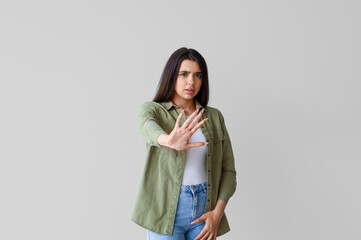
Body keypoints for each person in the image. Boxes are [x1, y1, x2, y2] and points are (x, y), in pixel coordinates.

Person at [131, 47, 237, 240]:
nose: (191, 81)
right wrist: (167, 140)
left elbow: (228, 171)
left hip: (204, 210)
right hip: (164, 211)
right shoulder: (155, 111)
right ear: (172, 76)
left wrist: (217, 213)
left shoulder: (214, 117)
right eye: (184, 74)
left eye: (198, 75)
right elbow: (145, 125)